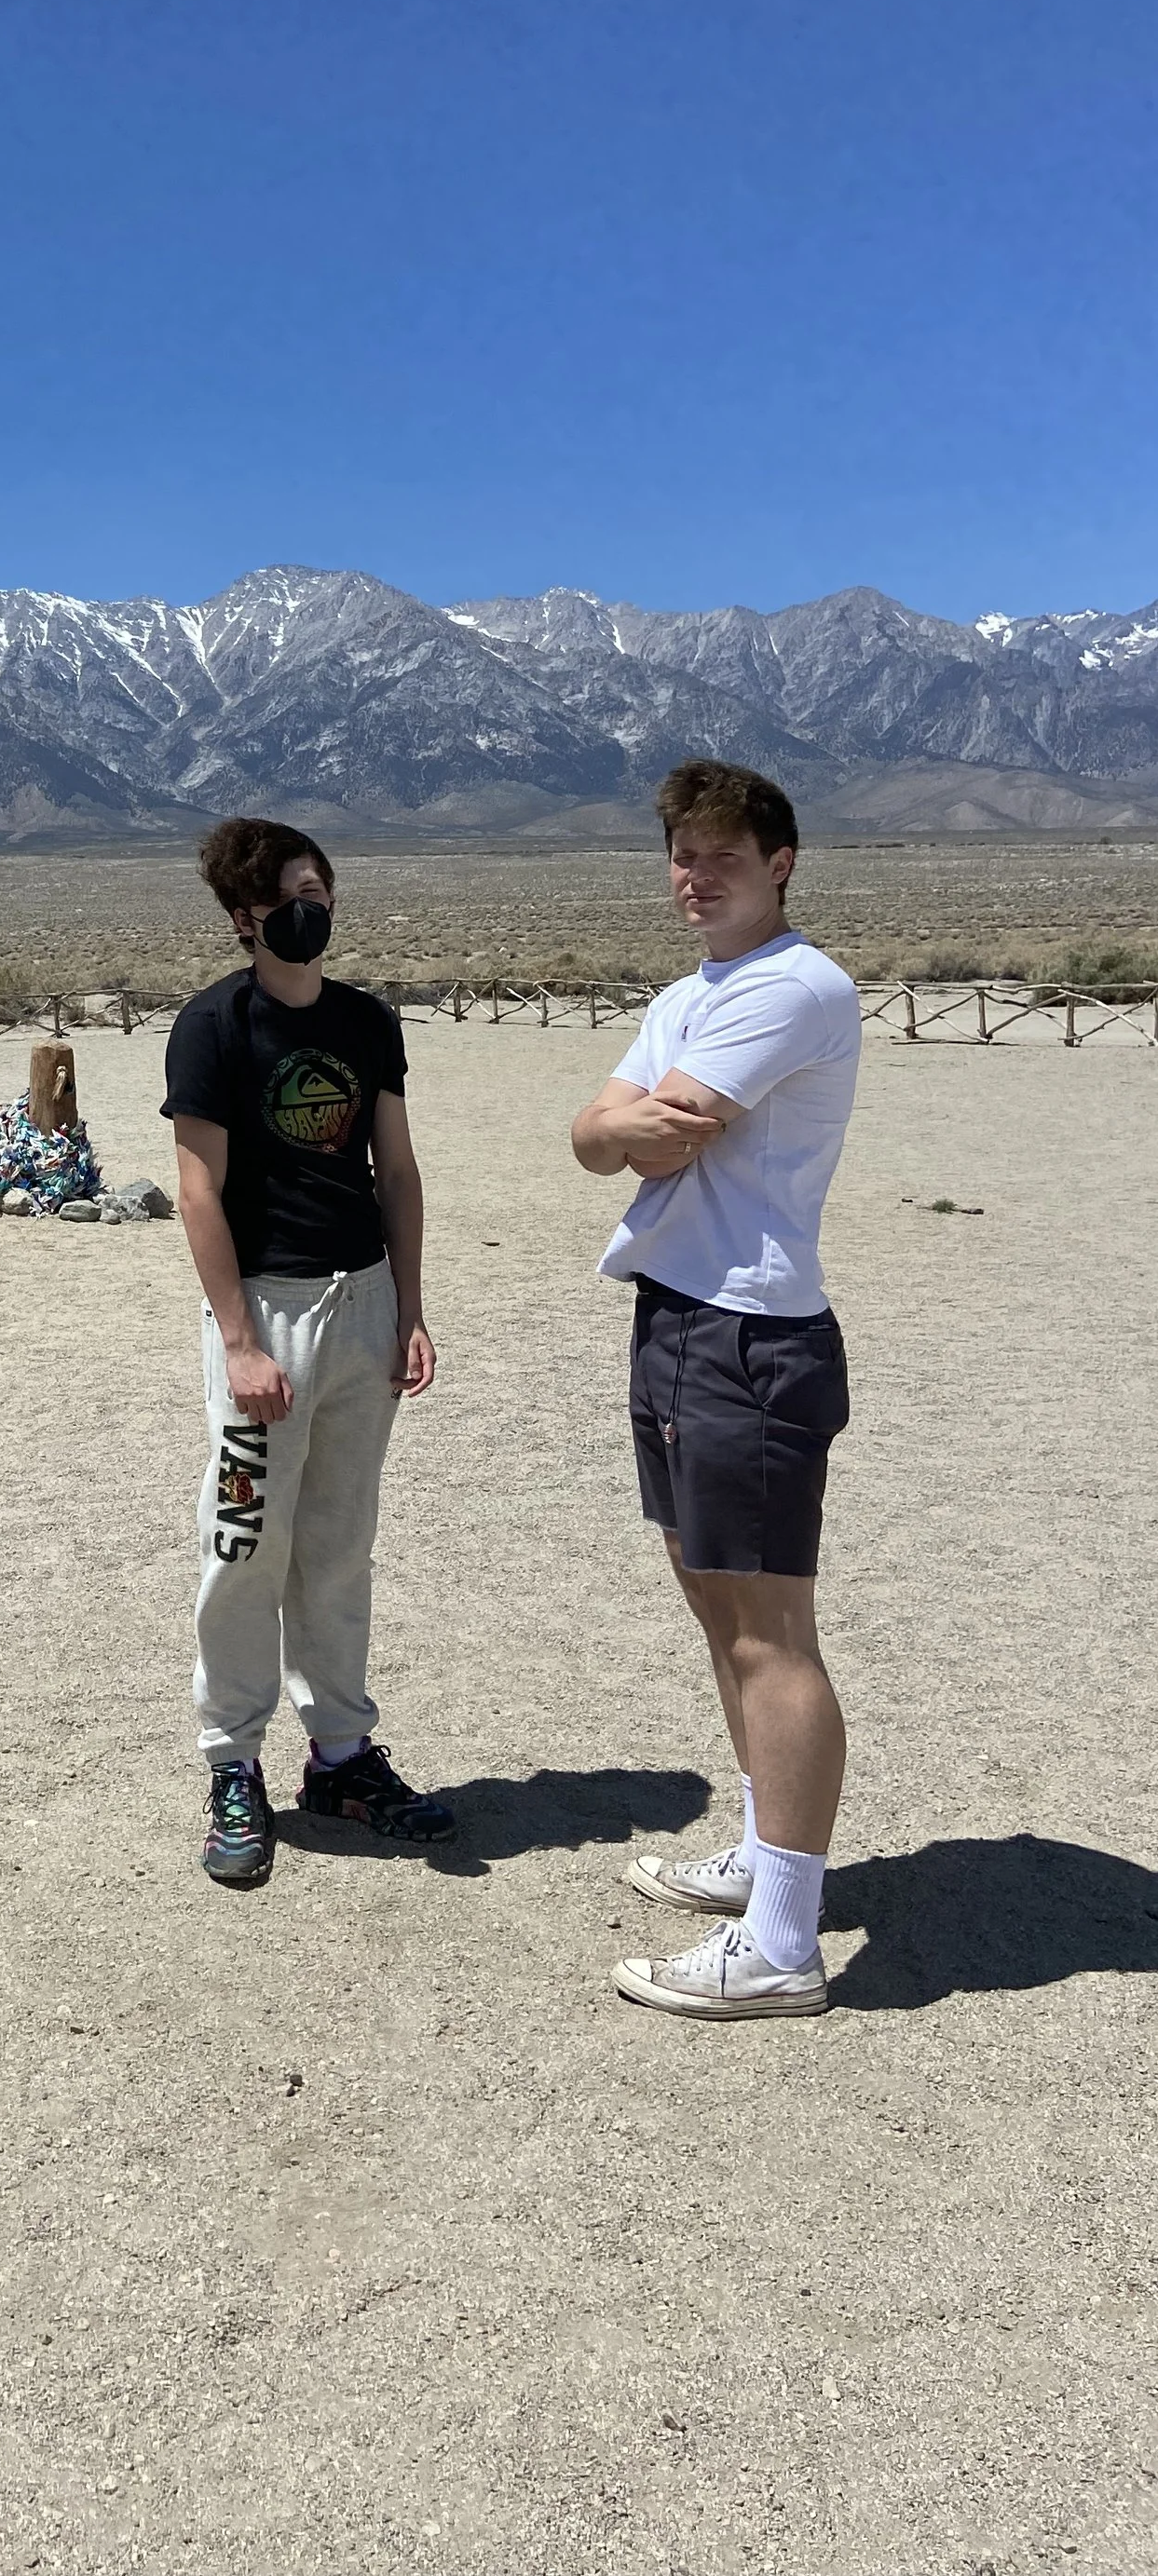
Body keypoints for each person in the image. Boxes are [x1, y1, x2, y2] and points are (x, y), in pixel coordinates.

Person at [572, 758, 862, 2018]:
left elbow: (660, 1121)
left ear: (781, 860)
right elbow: (597, 1136)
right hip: (679, 1314)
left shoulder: (796, 986)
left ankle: (785, 1943)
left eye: (723, 855)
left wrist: (628, 1118)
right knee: (712, 1603)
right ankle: (765, 1854)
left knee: (769, 1629)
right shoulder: (690, 992)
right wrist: (620, 1121)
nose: (696, 876)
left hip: (749, 1332)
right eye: (682, 854)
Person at [161, 818, 453, 1887]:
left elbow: (399, 1173)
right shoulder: (212, 1029)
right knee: (243, 1541)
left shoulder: (368, 1024)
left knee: (337, 1545)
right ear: (244, 919)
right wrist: (238, 1341)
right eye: (290, 894)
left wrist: (410, 1309)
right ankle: (231, 1760)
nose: (312, 907)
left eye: (321, 887)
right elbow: (198, 1189)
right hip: (266, 1316)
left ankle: (339, 1754)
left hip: (361, 1305)